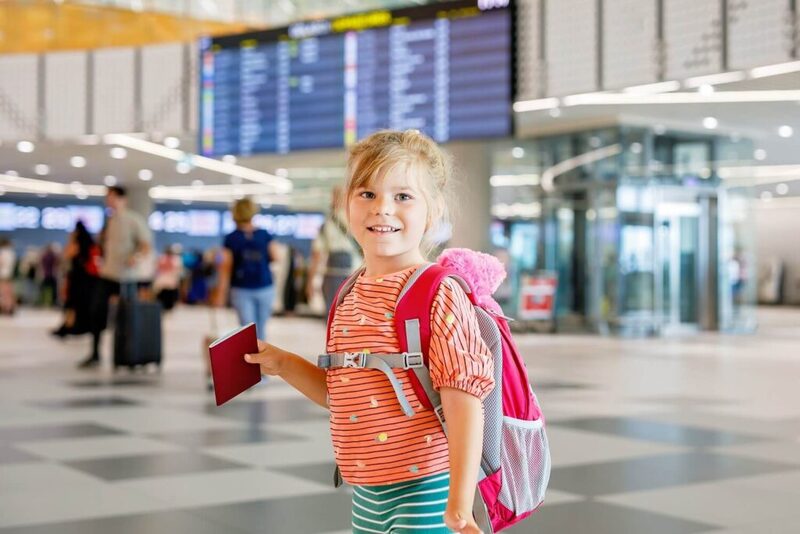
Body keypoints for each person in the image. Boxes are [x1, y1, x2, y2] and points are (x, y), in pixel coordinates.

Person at [243, 130, 495, 533]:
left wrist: (460, 500)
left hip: (428, 487)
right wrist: (284, 364)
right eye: (367, 194)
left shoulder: (438, 292)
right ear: (346, 204)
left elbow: (463, 401)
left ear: (433, 211)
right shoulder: (349, 293)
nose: (382, 209)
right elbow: (344, 393)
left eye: (403, 196)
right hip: (367, 490)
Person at [80, 186, 153, 369]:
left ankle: (130, 354)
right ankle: (95, 353)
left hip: (127, 277)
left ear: (123, 199)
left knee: (127, 316)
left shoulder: (133, 219)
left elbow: (145, 245)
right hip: (108, 273)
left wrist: (135, 258)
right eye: (108, 198)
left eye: (112, 197)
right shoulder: (109, 221)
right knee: (97, 312)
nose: (109, 201)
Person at [216, 198, 279, 340]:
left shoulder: (231, 238)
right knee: (260, 329)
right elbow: (276, 257)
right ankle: (260, 352)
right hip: (265, 286)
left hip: (241, 288)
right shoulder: (264, 235)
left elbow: (225, 267)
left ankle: (254, 352)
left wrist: (220, 293)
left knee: (247, 329)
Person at [307, 186, 363, 312]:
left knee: (332, 313)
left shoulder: (327, 224)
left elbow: (317, 255)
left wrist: (310, 282)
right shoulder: (360, 221)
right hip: (356, 274)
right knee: (354, 314)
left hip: (332, 275)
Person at [52, 222, 100, 337]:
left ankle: (69, 326)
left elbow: (67, 255)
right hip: (88, 280)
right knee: (82, 304)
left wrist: (70, 241)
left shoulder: (76, 244)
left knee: (71, 304)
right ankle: (76, 326)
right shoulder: (90, 244)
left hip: (76, 280)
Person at [153, 244, 183, 311]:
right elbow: (158, 267)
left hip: (171, 277)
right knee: (162, 292)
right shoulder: (162, 258)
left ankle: (169, 306)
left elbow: (178, 268)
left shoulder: (176, 259)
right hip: (163, 277)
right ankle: (161, 305)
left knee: (170, 292)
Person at [0, 237, 16, 315]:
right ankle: (10, 307)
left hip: (2, 274)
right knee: (9, 292)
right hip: (9, 274)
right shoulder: (11, 253)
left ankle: (5, 307)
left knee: (3, 292)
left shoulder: (2, 252)